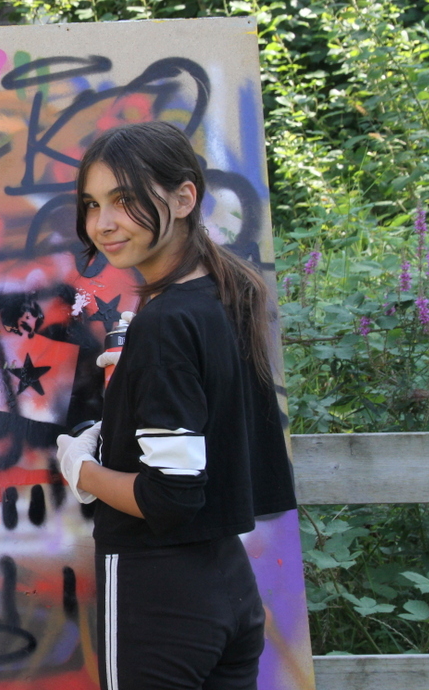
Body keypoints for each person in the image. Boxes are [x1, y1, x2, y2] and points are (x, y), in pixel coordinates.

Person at [54, 122, 296, 690]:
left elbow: (169, 496)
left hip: (159, 595)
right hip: (228, 587)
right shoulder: (224, 293)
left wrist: (80, 468)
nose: (103, 223)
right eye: (92, 204)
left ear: (185, 197)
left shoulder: (166, 322)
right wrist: (130, 398)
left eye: (125, 199)